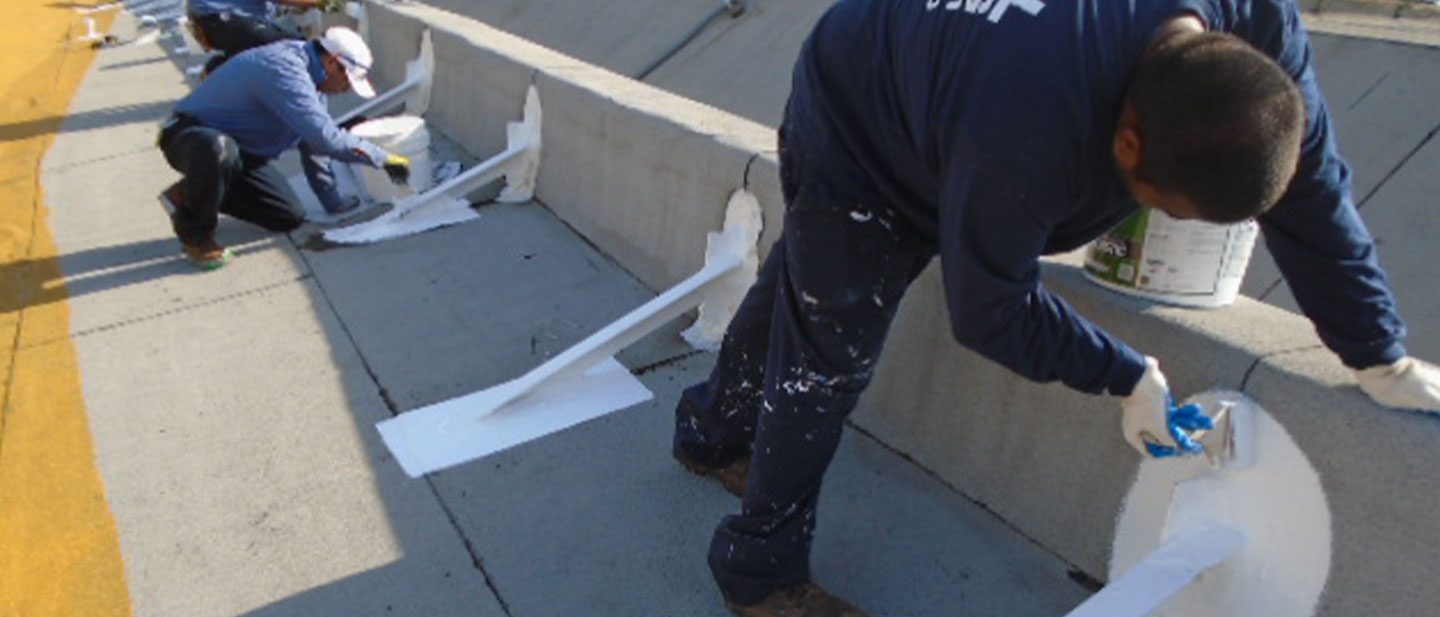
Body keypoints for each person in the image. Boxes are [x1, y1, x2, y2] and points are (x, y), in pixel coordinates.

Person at [670, 0, 1440, 615]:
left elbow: (1312, 188)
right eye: (1162, 204)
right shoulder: (1033, 116)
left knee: (808, 288)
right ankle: (759, 572)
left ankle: (712, 430)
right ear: (1129, 142)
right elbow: (990, 307)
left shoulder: (1262, 26)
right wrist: (1127, 373)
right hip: (857, 115)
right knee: (829, 347)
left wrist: (1378, 351)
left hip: (944, 87)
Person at [157, 27, 410, 269]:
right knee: (218, 149)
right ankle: (195, 235)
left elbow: (313, 144)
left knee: (287, 216)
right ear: (332, 62)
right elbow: (325, 139)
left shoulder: (314, 85)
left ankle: (188, 193)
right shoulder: (284, 69)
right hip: (190, 137)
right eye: (347, 81)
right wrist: (383, 158)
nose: (346, 89)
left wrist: (333, 202)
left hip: (240, 154)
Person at [187, 0, 344, 75]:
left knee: (253, 60)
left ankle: (219, 70)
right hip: (223, 19)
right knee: (300, 50)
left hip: (216, 21)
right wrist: (325, 2)